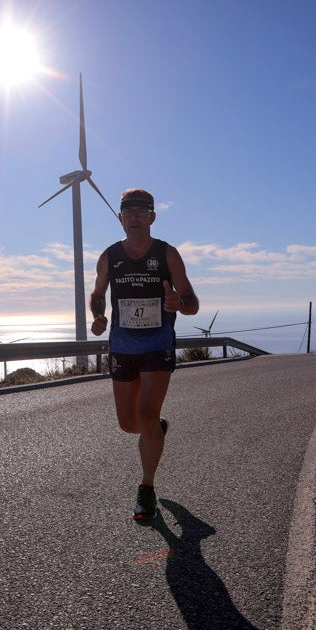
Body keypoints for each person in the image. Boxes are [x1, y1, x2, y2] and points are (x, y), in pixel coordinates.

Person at [89, 188, 200, 522]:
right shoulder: (110, 256)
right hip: (122, 346)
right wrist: (98, 316)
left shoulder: (167, 255)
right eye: (128, 212)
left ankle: (146, 489)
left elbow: (192, 303)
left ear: (152, 217)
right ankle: (155, 432)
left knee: (148, 415)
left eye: (141, 212)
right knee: (128, 424)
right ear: (120, 218)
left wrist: (178, 303)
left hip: (157, 345)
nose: (134, 217)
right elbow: (97, 294)